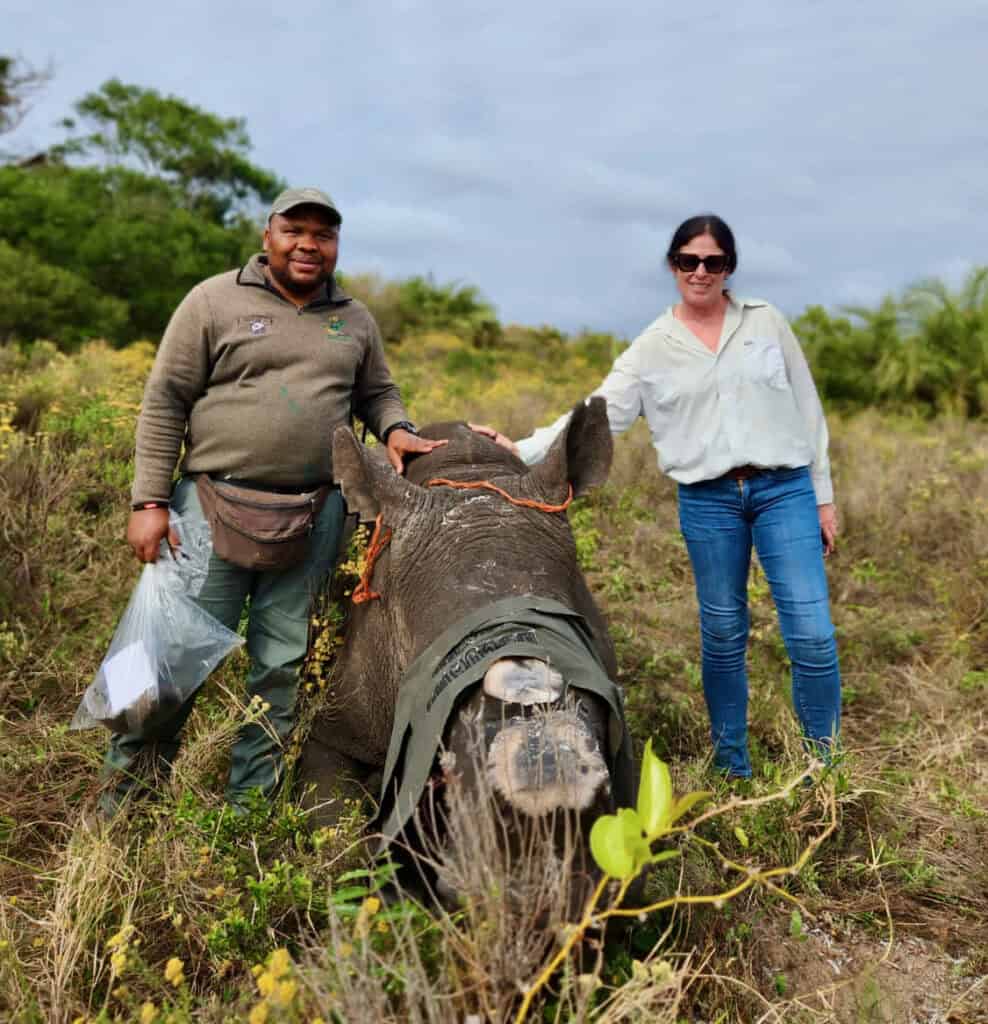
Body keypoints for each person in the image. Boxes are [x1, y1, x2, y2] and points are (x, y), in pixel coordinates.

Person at [100, 186, 445, 815]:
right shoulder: (213, 300)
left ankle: (245, 817)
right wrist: (148, 501)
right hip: (205, 508)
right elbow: (165, 400)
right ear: (268, 236)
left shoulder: (355, 318)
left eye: (323, 234)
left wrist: (395, 427)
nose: (308, 245)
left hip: (315, 516)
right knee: (167, 660)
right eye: (295, 231)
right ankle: (124, 806)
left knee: (282, 671)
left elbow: (379, 392)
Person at [506, 214, 840, 779]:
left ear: (729, 266)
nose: (701, 271)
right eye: (689, 260)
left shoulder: (766, 322)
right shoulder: (653, 346)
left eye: (713, 261)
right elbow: (598, 414)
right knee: (724, 631)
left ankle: (823, 766)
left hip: (784, 490)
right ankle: (732, 764)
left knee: (812, 632)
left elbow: (808, 410)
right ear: (673, 265)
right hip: (709, 500)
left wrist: (823, 497)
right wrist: (520, 450)